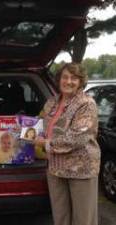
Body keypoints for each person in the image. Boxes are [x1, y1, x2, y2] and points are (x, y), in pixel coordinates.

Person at [34, 63, 100, 225]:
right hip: (56, 168)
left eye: (73, 78)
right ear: (59, 80)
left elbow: (78, 137)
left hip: (81, 168)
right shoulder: (52, 102)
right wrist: (25, 130)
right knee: (61, 217)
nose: (68, 81)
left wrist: (46, 143)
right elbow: (42, 124)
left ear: (80, 82)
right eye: (65, 77)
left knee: (83, 219)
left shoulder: (86, 104)